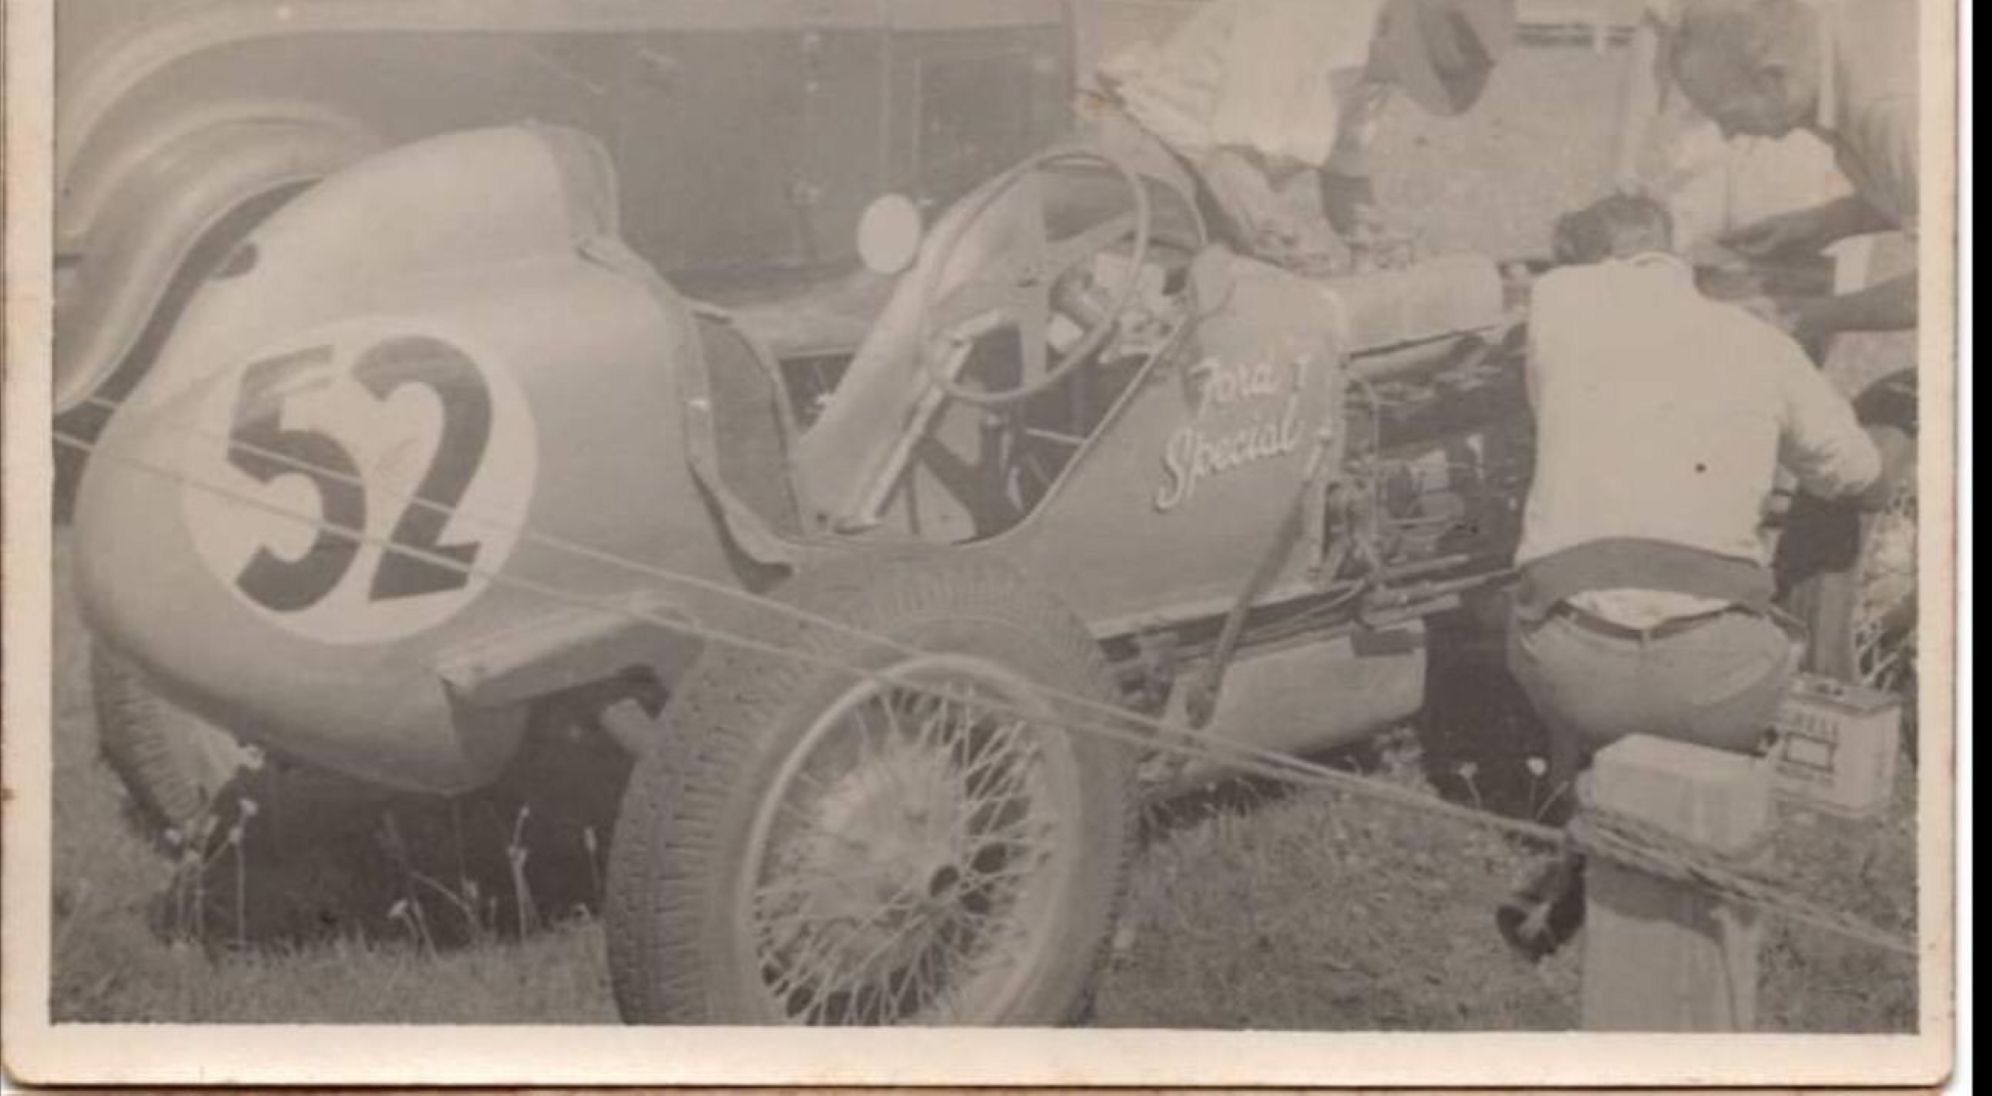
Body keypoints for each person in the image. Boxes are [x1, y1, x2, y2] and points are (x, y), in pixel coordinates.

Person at [1495, 194, 1883, 959]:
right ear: (1675, 259)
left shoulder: (1557, 303)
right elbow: (1859, 472)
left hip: (1571, 675)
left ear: (1584, 260)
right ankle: (1704, 796)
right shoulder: (1759, 341)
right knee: (1765, 592)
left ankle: (1577, 795)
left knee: (1540, 597)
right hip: (1720, 689)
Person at [1087, 0, 1515, 269]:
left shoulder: (1376, 57)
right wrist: (1302, 258)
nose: (1405, 84)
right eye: (1412, 71)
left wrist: (1377, 241)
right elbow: (1229, 163)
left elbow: (1345, 175)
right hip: (1145, 155)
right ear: (1396, 30)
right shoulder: (1296, 18)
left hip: (1219, 177)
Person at [1666, 0, 1918, 344]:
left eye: (1727, 112)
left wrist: (1801, 313)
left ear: (1773, 80)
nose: (1727, 132)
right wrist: (1827, 223)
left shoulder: (1891, 114)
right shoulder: (1842, 90)